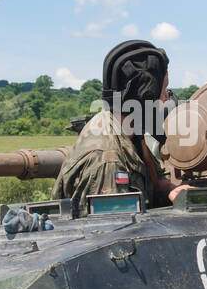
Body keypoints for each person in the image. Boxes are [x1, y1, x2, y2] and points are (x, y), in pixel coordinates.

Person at [51, 40, 189, 215]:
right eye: (163, 92)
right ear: (146, 97)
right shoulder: (108, 161)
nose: (165, 100)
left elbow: (151, 185)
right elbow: (115, 232)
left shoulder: (131, 135)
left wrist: (167, 188)